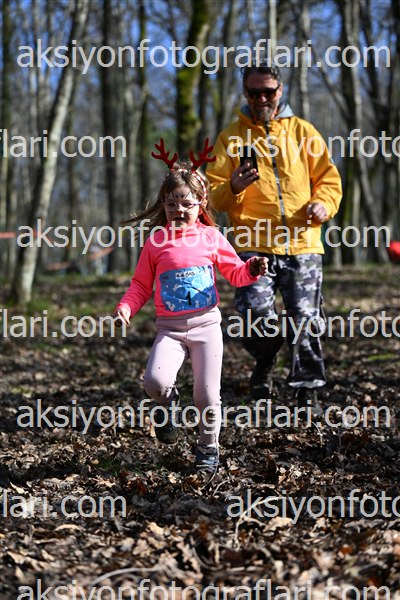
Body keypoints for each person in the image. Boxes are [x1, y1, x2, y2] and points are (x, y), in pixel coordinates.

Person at [114, 145, 268, 473]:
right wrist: (126, 308)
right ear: (164, 205)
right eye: (172, 204)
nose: (179, 210)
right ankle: (168, 403)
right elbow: (140, 285)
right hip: (169, 330)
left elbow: (236, 273)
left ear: (201, 203)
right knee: (154, 382)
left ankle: (208, 448)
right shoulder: (156, 242)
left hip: (206, 328)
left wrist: (251, 268)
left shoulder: (211, 237)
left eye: (186, 203)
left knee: (207, 396)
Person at [206, 61, 342, 412]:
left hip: (303, 242)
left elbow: (329, 180)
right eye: (254, 93)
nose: (262, 99)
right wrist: (232, 187)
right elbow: (212, 195)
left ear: (280, 91)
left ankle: (307, 390)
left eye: (268, 91)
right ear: (245, 92)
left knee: (306, 318)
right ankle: (265, 359)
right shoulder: (231, 138)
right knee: (254, 319)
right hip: (253, 247)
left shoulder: (303, 132)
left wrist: (323, 205)